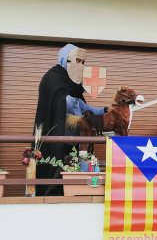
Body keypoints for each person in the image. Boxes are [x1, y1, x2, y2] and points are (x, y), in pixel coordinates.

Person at [33, 43, 106, 196]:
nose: (81, 65)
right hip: (56, 139)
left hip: (74, 142)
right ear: (64, 59)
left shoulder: (74, 86)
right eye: (77, 61)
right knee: (54, 172)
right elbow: (61, 102)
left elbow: (85, 108)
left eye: (83, 62)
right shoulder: (52, 78)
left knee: (76, 171)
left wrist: (105, 111)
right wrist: (74, 97)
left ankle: (76, 196)